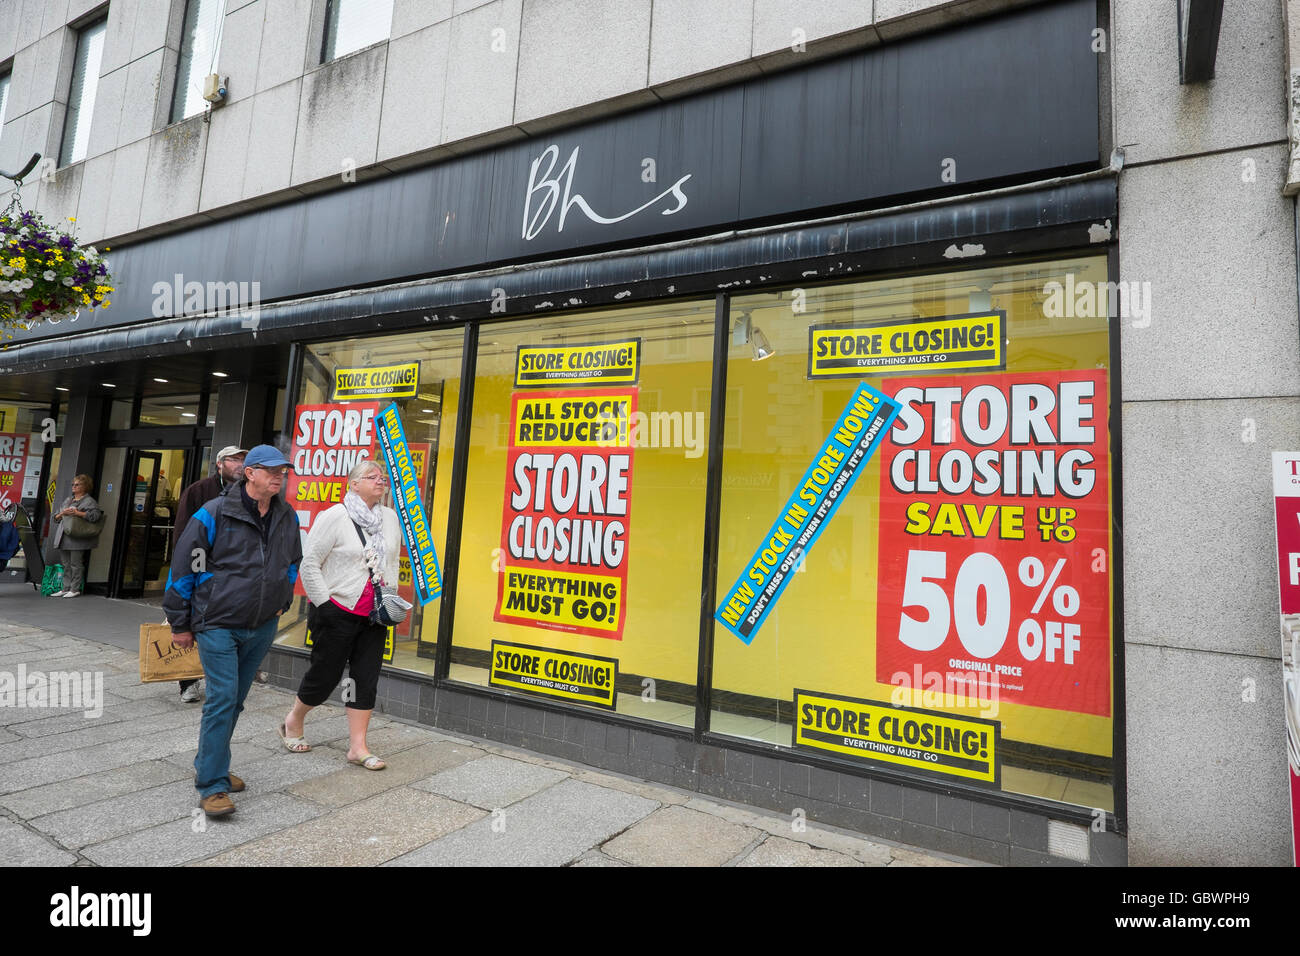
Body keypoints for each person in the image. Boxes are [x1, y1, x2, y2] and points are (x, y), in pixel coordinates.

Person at [163, 444, 302, 818]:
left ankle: (214, 764)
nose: (279, 476)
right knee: (223, 698)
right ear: (250, 472)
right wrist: (180, 622)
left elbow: (293, 561)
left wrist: (282, 600)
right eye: (271, 470)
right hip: (218, 622)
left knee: (235, 700)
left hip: (261, 623)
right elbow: (184, 566)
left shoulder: (285, 515)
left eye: (283, 471)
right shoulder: (214, 512)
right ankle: (212, 785)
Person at [280, 458, 400, 771]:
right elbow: (309, 564)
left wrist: (392, 598)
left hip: (374, 616)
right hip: (337, 610)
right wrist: (325, 605)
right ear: (353, 484)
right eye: (371, 476)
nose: (379, 480)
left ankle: (357, 747)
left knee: (365, 678)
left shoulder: (388, 518)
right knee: (325, 675)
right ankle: (294, 719)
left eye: (382, 476)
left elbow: (393, 561)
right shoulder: (335, 515)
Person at [172, 446, 247, 704]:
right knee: (193, 625)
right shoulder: (199, 491)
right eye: (234, 459)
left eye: (243, 460)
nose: (240, 464)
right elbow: (185, 536)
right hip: (202, 571)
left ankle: (222, 681)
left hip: (233, 577)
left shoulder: (247, 491)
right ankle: (187, 682)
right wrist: (195, 572)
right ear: (219, 464)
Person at [50, 474, 103, 598]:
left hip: (77, 537)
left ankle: (75, 589)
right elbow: (55, 517)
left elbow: (96, 516)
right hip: (63, 535)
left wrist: (77, 513)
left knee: (76, 564)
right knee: (65, 564)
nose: (74, 486)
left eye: (77, 484)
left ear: (85, 486)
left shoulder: (89, 501)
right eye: (73, 484)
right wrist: (63, 513)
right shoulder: (69, 499)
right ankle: (65, 588)